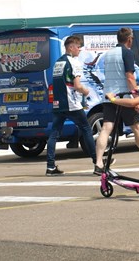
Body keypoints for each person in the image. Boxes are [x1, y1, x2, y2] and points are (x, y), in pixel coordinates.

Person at [94, 27, 139, 175]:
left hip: (109, 96)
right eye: (132, 39)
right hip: (124, 96)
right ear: (129, 39)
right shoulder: (127, 53)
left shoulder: (108, 54)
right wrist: (137, 100)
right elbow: (129, 77)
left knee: (106, 128)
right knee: (137, 128)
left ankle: (98, 163)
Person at [46, 36, 97, 176]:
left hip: (58, 103)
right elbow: (77, 85)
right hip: (71, 103)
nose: (80, 49)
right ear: (70, 47)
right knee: (86, 129)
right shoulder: (74, 62)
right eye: (78, 46)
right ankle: (97, 163)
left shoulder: (58, 62)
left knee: (54, 134)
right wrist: (86, 91)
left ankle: (50, 167)